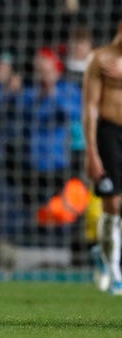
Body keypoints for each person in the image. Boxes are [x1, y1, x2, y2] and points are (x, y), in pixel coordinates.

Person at [82, 21, 122, 295]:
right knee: (113, 204)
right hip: (109, 136)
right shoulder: (100, 59)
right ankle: (114, 270)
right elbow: (89, 107)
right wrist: (92, 153)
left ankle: (108, 256)